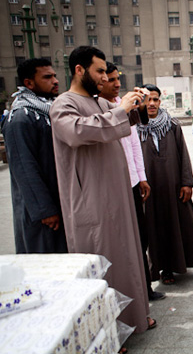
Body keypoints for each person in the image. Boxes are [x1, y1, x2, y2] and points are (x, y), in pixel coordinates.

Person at [49, 46, 155, 333]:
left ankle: (132, 319)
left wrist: (138, 104)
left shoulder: (100, 103)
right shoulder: (63, 104)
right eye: (98, 71)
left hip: (117, 196)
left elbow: (126, 119)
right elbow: (78, 131)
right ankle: (106, 331)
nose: (104, 77)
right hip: (91, 201)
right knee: (100, 262)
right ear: (79, 70)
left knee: (127, 255)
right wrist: (121, 109)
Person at [137, 84, 193, 286]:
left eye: (155, 99)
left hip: (175, 186)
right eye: (148, 100)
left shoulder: (172, 125)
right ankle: (166, 268)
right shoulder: (133, 128)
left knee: (188, 224)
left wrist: (187, 182)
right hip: (151, 190)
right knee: (157, 228)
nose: (152, 104)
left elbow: (183, 154)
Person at [99, 62, 165, 302]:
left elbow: (134, 144)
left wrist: (142, 177)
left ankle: (145, 289)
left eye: (118, 78)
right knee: (122, 242)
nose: (117, 83)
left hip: (133, 182)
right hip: (114, 187)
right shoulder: (99, 110)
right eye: (110, 79)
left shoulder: (121, 106)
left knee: (141, 238)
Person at [1, 58, 67, 254]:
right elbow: (24, 168)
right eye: (47, 77)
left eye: (55, 75)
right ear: (29, 83)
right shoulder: (20, 117)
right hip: (41, 213)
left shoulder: (49, 110)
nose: (55, 80)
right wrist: (45, 210)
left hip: (58, 200)